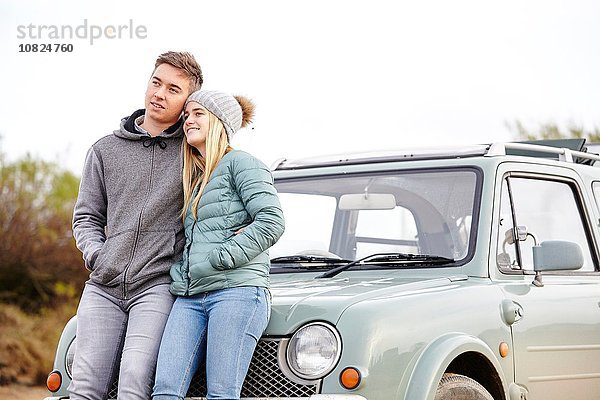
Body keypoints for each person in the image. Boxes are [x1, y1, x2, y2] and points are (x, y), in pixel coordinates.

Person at [70, 51, 203, 400]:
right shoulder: (104, 150)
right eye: (156, 82)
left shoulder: (193, 155)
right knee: (84, 386)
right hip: (103, 285)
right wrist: (98, 255)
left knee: (134, 380)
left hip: (155, 286)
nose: (159, 93)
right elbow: (86, 216)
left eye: (173, 89)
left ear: (188, 102)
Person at [152, 90, 285, 400]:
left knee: (221, 394)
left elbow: (271, 221)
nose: (188, 121)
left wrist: (221, 257)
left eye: (198, 113)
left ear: (220, 121)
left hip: (236, 292)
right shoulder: (196, 178)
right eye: (187, 115)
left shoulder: (242, 163)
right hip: (190, 296)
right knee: (165, 391)